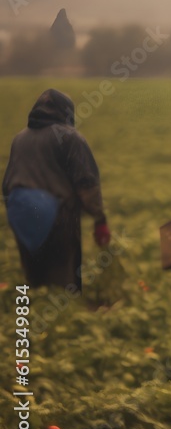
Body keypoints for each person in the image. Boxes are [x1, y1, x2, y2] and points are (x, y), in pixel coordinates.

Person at [3, 89, 110, 291]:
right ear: (67, 112)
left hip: (22, 213)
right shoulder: (71, 137)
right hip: (58, 216)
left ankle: (28, 317)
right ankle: (62, 317)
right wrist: (99, 219)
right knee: (63, 282)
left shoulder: (19, 138)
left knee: (34, 279)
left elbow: (7, 183)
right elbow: (86, 183)